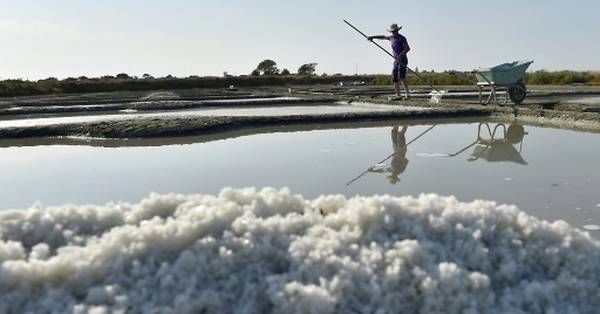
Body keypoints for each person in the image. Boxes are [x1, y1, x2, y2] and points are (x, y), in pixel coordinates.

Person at [368, 24, 411, 100]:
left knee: (402, 77)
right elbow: (383, 37)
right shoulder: (391, 38)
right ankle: (398, 95)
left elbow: (407, 49)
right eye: (393, 31)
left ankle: (407, 94)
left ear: (398, 30)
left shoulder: (402, 38)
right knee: (395, 78)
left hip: (403, 59)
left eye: (395, 31)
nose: (394, 32)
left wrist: (399, 56)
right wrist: (372, 37)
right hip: (396, 60)